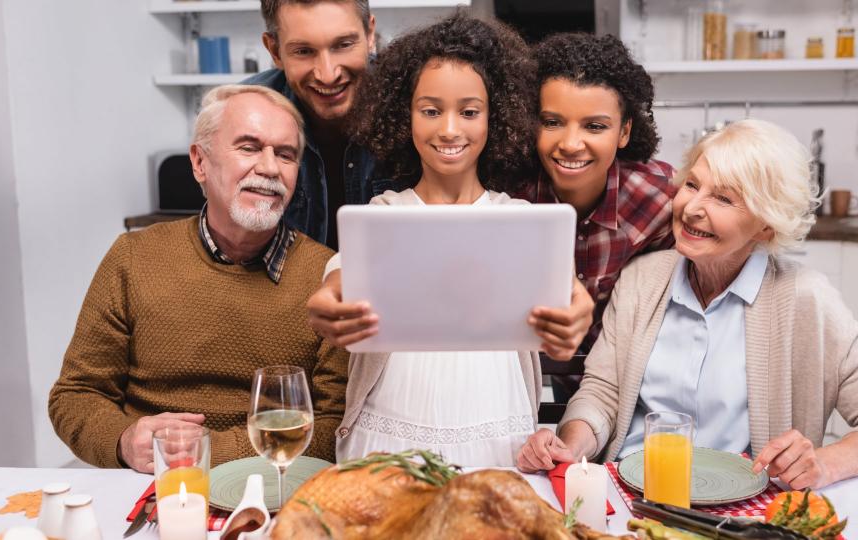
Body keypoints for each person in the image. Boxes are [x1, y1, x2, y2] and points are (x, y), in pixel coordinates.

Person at [516, 119, 858, 489]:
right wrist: (572, 444)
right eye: (692, 185)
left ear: (766, 225)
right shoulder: (643, 278)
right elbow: (601, 392)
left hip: (748, 509)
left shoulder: (806, 299)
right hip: (632, 492)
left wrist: (824, 463)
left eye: (723, 198)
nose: (692, 208)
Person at [306, 14, 594, 466]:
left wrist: (575, 313)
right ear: (406, 116)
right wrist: (327, 303)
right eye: (431, 110)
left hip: (499, 437)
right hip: (388, 438)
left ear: (494, 117)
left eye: (469, 111)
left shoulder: (519, 220)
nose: (449, 129)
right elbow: (339, 280)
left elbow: (567, 292)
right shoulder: (383, 215)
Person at [48, 85, 348, 472]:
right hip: (149, 485)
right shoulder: (133, 257)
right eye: (249, 147)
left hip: (275, 483)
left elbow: (335, 425)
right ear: (200, 162)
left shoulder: (328, 275)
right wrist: (124, 441)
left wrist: (201, 452)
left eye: (286, 155)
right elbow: (74, 395)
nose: (270, 168)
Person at [517, 33, 678, 402]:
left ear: (624, 131)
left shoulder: (660, 195)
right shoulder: (509, 197)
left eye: (595, 126)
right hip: (535, 385)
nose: (571, 143)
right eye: (552, 122)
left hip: (636, 392)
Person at [245, 0, 397, 249]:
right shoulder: (243, 112)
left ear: (370, 35)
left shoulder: (416, 102)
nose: (328, 75)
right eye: (304, 51)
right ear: (274, 51)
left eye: (344, 45)